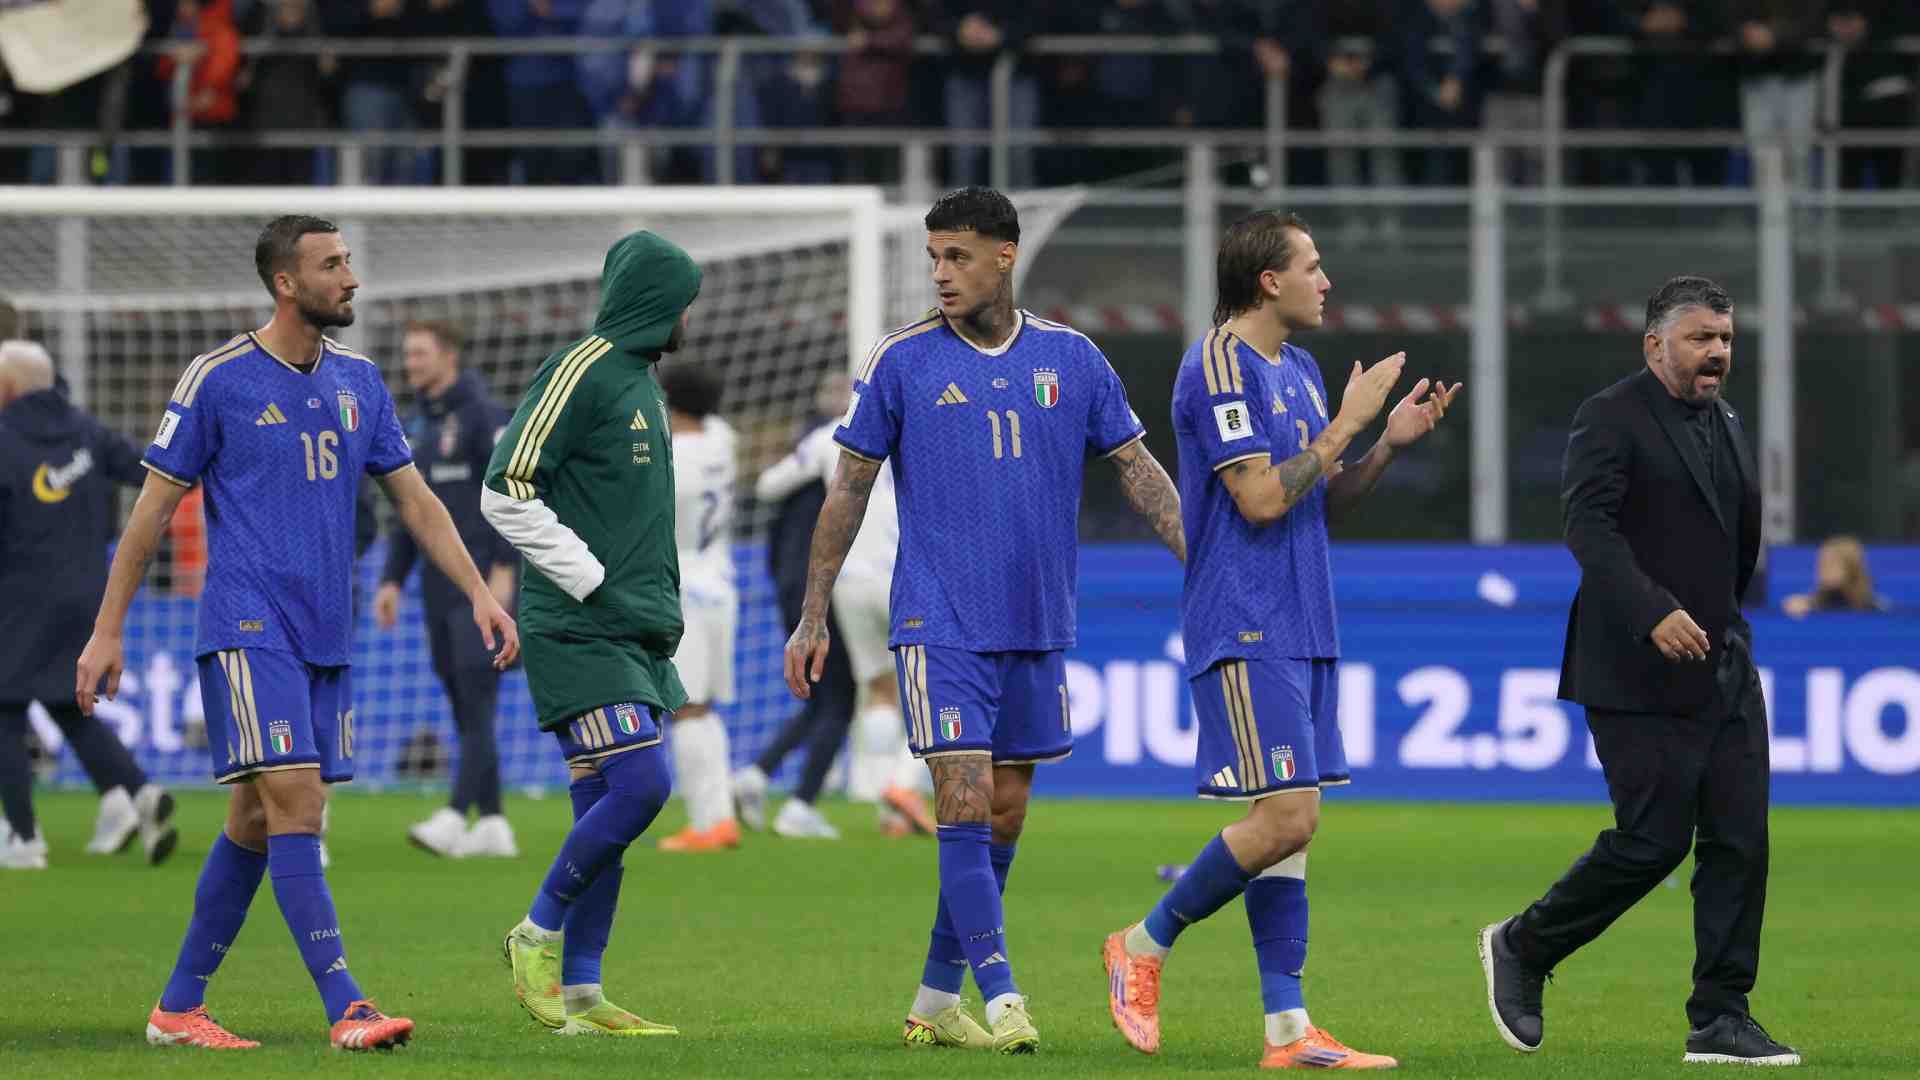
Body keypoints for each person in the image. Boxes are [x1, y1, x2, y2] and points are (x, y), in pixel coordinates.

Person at [74, 215, 518, 1051]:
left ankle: (177, 1009)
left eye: (348, 261)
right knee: (300, 802)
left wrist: (477, 594)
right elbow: (151, 512)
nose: (351, 278)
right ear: (286, 283)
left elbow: (415, 499)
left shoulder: (361, 381)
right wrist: (108, 631)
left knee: (253, 817)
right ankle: (348, 1005)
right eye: (332, 264)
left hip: (326, 632)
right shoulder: (219, 378)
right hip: (248, 624)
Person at [783, 187, 1188, 1054]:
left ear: (1006, 256)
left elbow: (1136, 467)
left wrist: (1205, 560)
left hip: (1037, 621)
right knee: (961, 795)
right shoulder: (902, 360)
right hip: (939, 616)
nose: (941, 273)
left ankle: (936, 999)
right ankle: (1004, 998)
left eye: (957, 256)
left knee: (1003, 811)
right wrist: (812, 613)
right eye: (934, 257)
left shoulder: (1072, 358)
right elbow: (848, 489)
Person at [1102, 210, 1457, 1071]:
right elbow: (1259, 500)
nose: (1326, 281)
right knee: (1290, 815)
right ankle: (1140, 945)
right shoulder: (1217, 366)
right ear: (1269, 280)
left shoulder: (1297, 368)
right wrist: (1349, 421)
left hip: (1304, 618)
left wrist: (1383, 443)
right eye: (1313, 265)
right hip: (1244, 617)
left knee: (1290, 826)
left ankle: (1288, 1032)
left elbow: (1318, 501)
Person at [1480, 276, 1799, 1066]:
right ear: (1655, 345)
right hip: (1634, 667)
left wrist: (1728, 624)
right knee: (1652, 843)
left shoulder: (1726, 420)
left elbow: (1737, 539)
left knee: (1740, 842)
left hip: (1724, 663)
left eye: (1725, 339)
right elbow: (1587, 528)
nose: (1718, 352)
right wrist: (1653, 610)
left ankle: (1721, 1015)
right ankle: (1523, 945)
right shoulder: (1610, 416)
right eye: (1701, 338)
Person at [484, 229, 698, 1038]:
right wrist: (590, 578)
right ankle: (534, 933)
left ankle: (581, 991)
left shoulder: (641, 382)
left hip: (632, 630)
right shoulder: (581, 369)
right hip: (580, 627)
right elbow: (504, 488)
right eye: (683, 301)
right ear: (656, 300)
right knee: (642, 785)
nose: (689, 317)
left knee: (604, 806)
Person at [0, 340, 179, 870]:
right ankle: (139, 791)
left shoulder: (4, 439)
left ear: (7, 386)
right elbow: (152, 473)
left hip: (17, 596)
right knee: (67, 700)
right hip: (88, 595)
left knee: (4, 710)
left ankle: (23, 837)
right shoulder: (88, 431)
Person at [748, 374, 932, 840]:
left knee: (880, 689)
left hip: (848, 579)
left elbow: (768, 486)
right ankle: (902, 787)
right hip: (901, 572)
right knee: (937, 688)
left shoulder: (828, 436)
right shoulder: (920, 428)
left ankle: (884, 802)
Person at [375, 320, 520, 859]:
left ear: (449, 355)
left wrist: (505, 567)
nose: (410, 363)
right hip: (437, 590)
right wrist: (392, 578)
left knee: (478, 701)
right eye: (407, 354)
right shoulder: (416, 425)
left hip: (482, 584)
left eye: (419, 353)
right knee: (463, 704)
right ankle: (495, 822)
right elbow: (410, 510)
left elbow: (514, 493)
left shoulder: (486, 417)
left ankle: (457, 815)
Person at [731, 374, 864, 840]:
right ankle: (801, 805)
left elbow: (767, 486)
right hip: (829, 589)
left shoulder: (810, 454)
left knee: (825, 697)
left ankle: (757, 775)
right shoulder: (845, 450)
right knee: (841, 699)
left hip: (795, 585)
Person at [653, 362, 742, 852]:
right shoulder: (722, 441)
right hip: (721, 583)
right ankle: (721, 818)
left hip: (680, 584)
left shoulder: (670, 458)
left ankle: (705, 824)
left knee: (684, 707)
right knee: (702, 706)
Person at [1783, 536, 1890, 616]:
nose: (1821, 570)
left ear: (1851, 568)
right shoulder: (1810, 605)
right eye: (1821, 564)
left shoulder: (1877, 608)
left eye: (1830, 564)